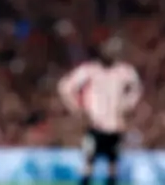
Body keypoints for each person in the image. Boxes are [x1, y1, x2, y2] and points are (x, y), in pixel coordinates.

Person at [58, 37, 142, 185]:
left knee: (112, 164)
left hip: (115, 126)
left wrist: (126, 105)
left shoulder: (124, 71)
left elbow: (137, 88)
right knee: (89, 163)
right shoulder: (90, 71)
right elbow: (66, 87)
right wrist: (78, 108)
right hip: (95, 124)